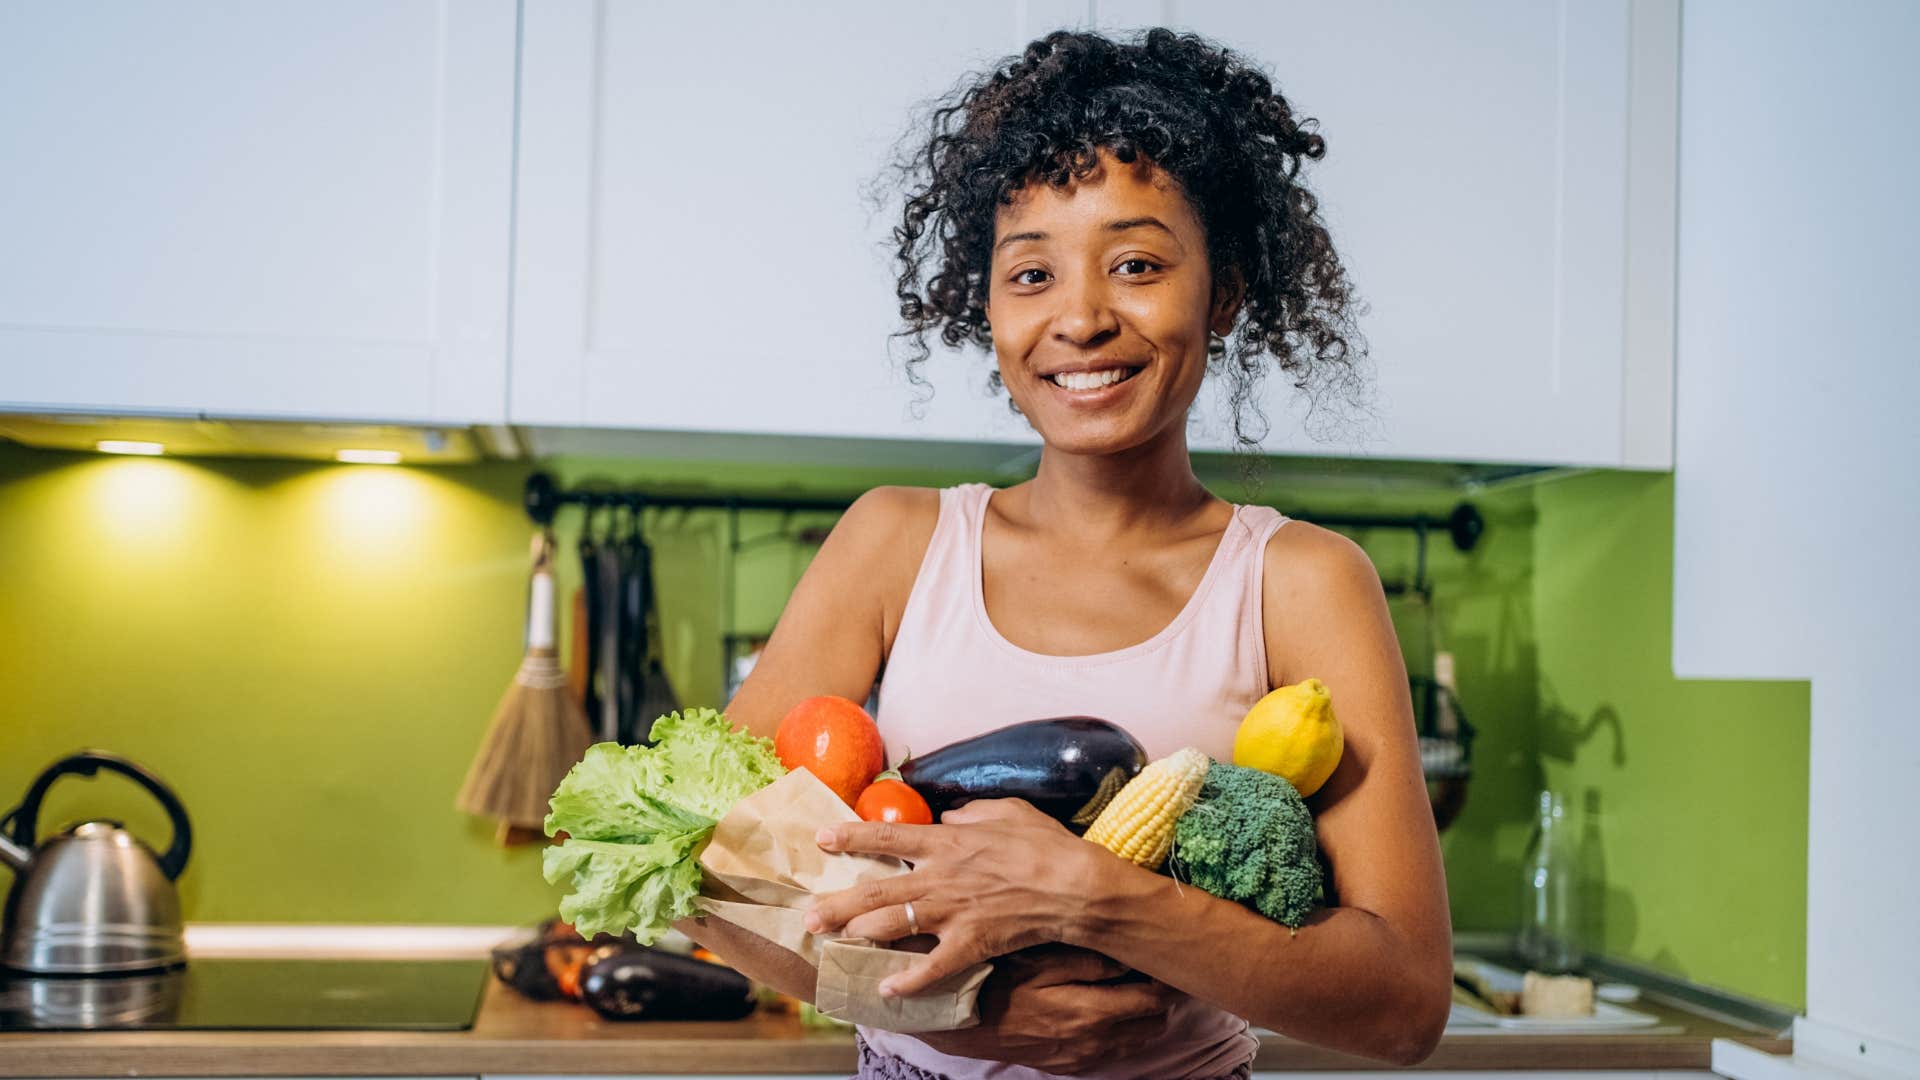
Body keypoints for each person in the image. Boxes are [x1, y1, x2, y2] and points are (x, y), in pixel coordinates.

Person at [680, 27, 1452, 1079]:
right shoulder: (897, 545)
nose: (1081, 318)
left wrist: (1095, 896)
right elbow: (702, 877)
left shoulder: (1300, 583)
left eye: (1136, 265)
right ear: (987, 307)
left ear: (1222, 292)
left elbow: (1402, 1005)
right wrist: (948, 1017)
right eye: (1031, 272)